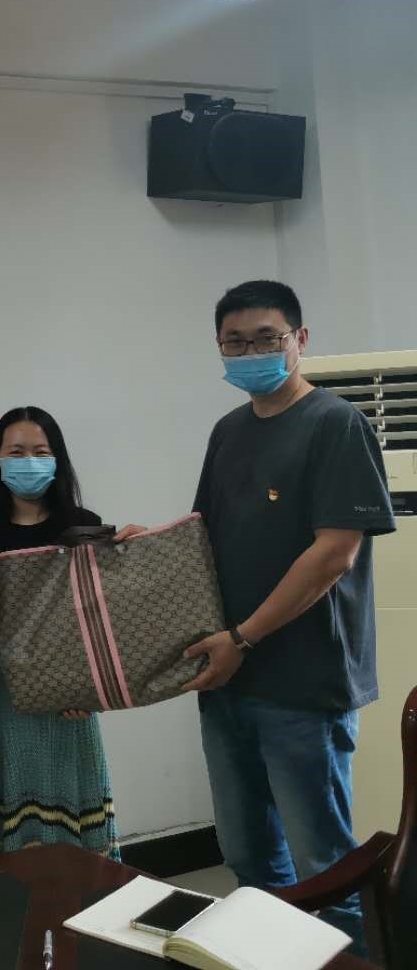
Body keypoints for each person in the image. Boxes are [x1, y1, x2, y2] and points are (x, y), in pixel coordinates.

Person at [135, 281, 394, 947]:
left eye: (266, 339)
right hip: (229, 679)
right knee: (248, 856)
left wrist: (243, 638)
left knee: (324, 866)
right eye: (235, 342)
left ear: (299, 340)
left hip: (304, 684)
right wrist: (146, 547)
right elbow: (206, 535)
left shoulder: (336, 424)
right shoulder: (229, 431)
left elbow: (333, 554)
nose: (250, 353)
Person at [0, 406, 120, 859]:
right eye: (16, 452)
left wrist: (87, 688)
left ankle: (80, 896)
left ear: (58, 459)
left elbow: (98, 616)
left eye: (40, 451)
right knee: (3, 793)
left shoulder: (83, 523)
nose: (28, 461)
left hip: (69, 686)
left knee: (72, 792)